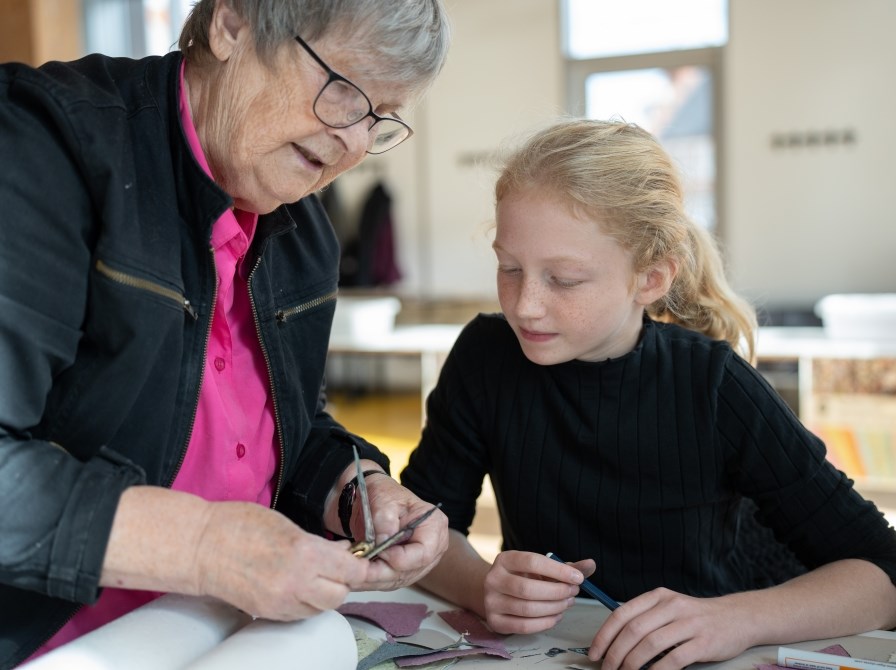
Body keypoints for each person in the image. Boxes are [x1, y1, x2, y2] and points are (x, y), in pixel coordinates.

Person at [0, 0, 450, 666]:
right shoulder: (39, 147)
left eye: (380, 116)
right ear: (232, 24)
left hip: (217, 622)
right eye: (346, 90)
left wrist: (354, 489)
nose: (357, 144)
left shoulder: (301, 229)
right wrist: (204, 544)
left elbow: (283, 424)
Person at [400, 118, 896, 670]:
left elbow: (883, 572)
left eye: (564, 279)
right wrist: (481, 585)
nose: (524, 305)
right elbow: (420, 530)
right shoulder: (485, 357)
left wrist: (738, 618)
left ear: (651, 279)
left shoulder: (715, 384)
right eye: (509, 268)